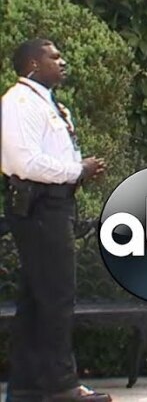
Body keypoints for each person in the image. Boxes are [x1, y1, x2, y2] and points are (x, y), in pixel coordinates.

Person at [1, 39, 111, 402]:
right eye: (54, 57)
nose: (62, 62)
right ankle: (61, 384)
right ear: (33, 63)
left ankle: (28, 385)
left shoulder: (45, 102)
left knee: (37, 297)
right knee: (56, 296)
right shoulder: (19, 103)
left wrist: (77, 171)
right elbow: (26, 163)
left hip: (55, 204)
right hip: (39, 207)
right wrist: (76, 169)